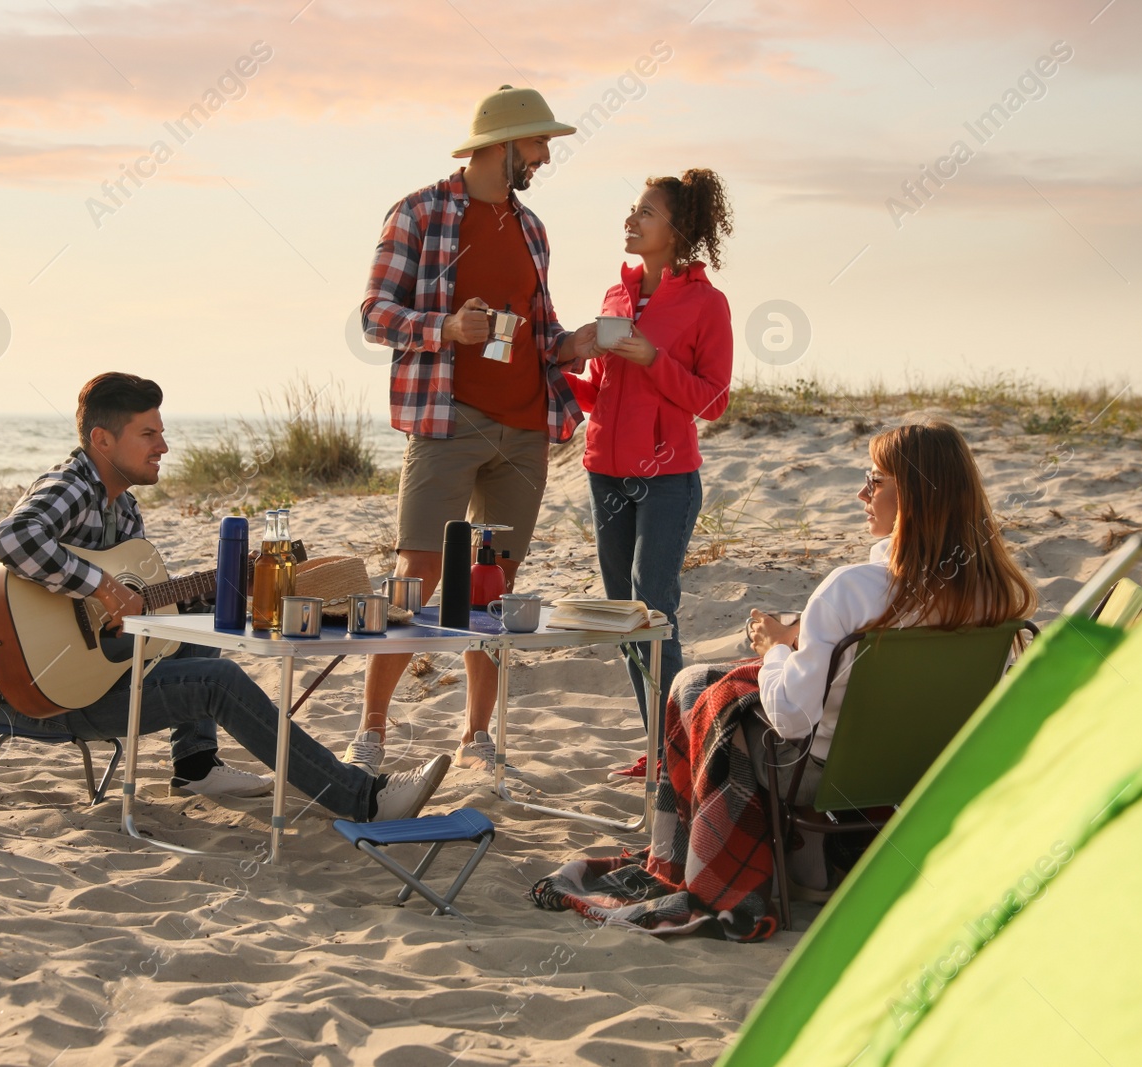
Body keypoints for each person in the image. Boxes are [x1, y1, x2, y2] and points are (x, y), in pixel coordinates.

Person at [532, 419, 1037, 940]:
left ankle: (684, 863)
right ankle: (808, 858)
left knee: (698, 689)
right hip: (925, 768)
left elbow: (793, 720)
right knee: (707, 678)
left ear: (914, 495)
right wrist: (806, 640)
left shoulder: (852, 590)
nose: (862, 492)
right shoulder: (995, 596)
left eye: (876, 480)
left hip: (821, 773)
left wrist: (775, 650)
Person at [0, 373, 449, 823]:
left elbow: (142, 611)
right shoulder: (71, 486)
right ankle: (363, 798)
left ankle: (194, 764)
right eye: (148, 434)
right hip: (33, 696)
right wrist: (104, 587)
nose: (163, 446)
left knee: (199, 616)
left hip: (87, 681)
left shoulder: (123, 510)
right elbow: (12, 537)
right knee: (219, 681)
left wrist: (234, 585)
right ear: (101, 440)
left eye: (161, 433)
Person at [350, 85, 598, 775]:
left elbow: (540, 329)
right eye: (539, 143)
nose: (546, 156)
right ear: (503, 143)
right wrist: (446, 328)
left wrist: (575, 341)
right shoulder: (421, 213)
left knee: (490, 585)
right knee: (418, 573)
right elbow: (374, 315)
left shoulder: (532, 228)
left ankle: (477, 739)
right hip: (446, 418)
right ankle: (372, 731)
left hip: (525, 426)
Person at [564, 169, 735, 777]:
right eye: (631, 210)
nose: (631, 221)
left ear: (678, 229)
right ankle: (662, 748)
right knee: (623, 613)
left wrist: (653, 359)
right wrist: (568, 363)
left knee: (653, 608)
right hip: (604, 474)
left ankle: (681, 751)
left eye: (645, 213)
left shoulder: (706, 304)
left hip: (666, 480)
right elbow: (600, 393)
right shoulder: (616, 298)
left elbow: (712, 399)